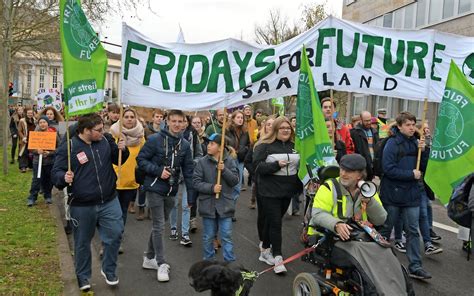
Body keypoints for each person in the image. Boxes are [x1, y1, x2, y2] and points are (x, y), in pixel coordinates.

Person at [52, 113, 129, 291]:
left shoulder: (105, 140)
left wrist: (122, 150)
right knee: (82, 243)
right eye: (98, 130)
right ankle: (83, 277)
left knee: (116, 234)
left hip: (109, 200)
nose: (103, 132)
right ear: (86, 130)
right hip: (82, 205)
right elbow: (56, 174)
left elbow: (118, 159)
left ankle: (109, 270)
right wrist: (63, 177)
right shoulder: (69, 148)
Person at [137, 109, 195, 282]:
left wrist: (191, 197)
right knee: (160, 226)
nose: (177, 124)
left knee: (159, 224)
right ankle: (161, 263)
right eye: (174, 121)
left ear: (185, 123)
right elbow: (141, 160)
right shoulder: (154, 140)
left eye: (180, 121)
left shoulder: (185, 145)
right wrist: (158, 171)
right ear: (167, 121)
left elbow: (189, 172)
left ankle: (148, 257)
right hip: (155, 188)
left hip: (172, 191)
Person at [379, 112, 432, 280]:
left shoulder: (417, 143)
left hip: (411, 195)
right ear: (400, 126)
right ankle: (377, 262)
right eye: (408, 124)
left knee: (412, 231)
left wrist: (423, 152)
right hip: (393, 194)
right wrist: (410, 174)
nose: (411, 127)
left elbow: (424, 167)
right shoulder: (392, 143)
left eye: (413, 124)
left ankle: (415, 266)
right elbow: (388, 168)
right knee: (386, 230)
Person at [252, 116, 303, 273]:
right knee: (275, 223)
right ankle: (278, 257)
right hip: (269, 192)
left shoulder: (295, 146)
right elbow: (257, 167)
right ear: (275, 130)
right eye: (282, 128)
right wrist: (275, 165)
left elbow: (300, 167)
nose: (286, 130)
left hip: (287, 191)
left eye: (288, 128)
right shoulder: (265, 146)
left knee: (273, 221)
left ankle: (265, 249)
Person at [193, 133, 239, 262]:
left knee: (227, 235)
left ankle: (230, 262)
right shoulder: (202, 162)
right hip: (208, 205)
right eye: (208, 143)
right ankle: (209, 260)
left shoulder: (229, 161)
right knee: (208, 236)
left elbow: (235, 180)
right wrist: (211, 188)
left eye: (212, 143)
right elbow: (196, 182)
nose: (208, 146)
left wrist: (224, 170)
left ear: (220, 147)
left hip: (225, 205)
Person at [109, 108, 145, 240]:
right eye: (126, 116)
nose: (129, 119)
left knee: (123, 212)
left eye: (132, 116)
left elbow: (143, 156)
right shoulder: (114, 133)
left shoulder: (140, 136)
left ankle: (118, 238)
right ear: (121, 118)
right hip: (114, 180)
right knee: (112, 213)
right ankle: (108, 240)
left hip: (131, 181)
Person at [169, 115, 203, 245]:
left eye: (184, 121)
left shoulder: (193, 136)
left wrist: (191, 163)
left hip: (188, 176)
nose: (181, 124)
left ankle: (185, 233)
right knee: (174, 203)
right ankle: (173, 228)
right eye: (178, 121)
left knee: (187, 205)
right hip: (174, 176)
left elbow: (199, 155)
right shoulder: (169, 137)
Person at [26, 116, 59, 206]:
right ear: (38, 124)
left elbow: (59, 148)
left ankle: (48, 196)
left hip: (50, 162)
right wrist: (37, 151)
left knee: (48, 180)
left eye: (44, 122)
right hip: (37, 162)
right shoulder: (35, 134)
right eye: (40, 122)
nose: (42, 124)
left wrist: (50, 153)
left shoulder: (53, 134)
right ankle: (32, 197)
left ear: (48, 123)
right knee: (36, 179)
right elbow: (30, 148)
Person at [227, 110, 250, 209]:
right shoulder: (227, 131)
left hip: (240, 160)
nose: (240, 119)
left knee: (237, 186)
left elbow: (248, 145)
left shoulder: (245, 132)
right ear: (233, 119)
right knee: (228, 185)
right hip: (229, 160)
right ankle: (227, 208)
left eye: (242, 118)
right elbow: (224, 144)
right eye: (238, 117)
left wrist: (244, 150)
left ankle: (231, 209)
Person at [350, 111, 379, 181]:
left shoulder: (374, 132)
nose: (369, 122)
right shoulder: (354, 132)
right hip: (361, 166)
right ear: (361, 120)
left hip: (373, 165)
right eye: (366, 121)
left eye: (369, 120)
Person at [18, 107, 36, 173]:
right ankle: (23, 167)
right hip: (25, 139)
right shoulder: (22, 121)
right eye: (28, 113)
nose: (30, 114)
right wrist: (23, 137)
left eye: (31, 113)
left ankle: (31, 166)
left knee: (32, 153)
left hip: (33, 139)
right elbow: (19, 131)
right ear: (26, 113)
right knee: (24, 153)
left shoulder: (35, 120)